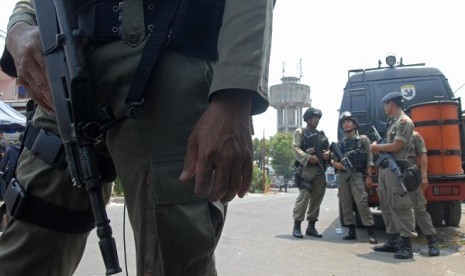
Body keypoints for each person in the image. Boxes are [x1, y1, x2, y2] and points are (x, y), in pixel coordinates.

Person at [0, 0, 273, 275]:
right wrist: (19, 28)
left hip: (167, 66)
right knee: (23, 251)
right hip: (62, 74)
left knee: (171, 259)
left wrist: (235, 96)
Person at [370, 91, 416, 259]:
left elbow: (397, 146)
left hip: (397, 168)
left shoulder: (404, 121)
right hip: (386, 168)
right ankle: (392, 240)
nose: (384, 107)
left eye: (385, 104)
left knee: (400, 204)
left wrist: (376, 147)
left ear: (392, 103)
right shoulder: (392, 122)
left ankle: (406, 244)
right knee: (386, 203)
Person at [332, 112, 377, 244]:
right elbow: (332, 160)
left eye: (349, 121)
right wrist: (336, 164)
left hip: (357, 174)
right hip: (342, 175)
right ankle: (351, 231)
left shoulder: (363, 140)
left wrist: (369, 176)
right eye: (344, 122)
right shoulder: (339, 144)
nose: (346, 124)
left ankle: (370, 231)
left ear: (354, 124)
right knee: (345, 203)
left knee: (362, 202)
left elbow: (369, 159)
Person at [292, 107, 330, 238]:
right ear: (308, 119)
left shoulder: (321, 134)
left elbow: (328, 149)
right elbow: (296, 149)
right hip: (307, 169)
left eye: (318, 118)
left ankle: (311, 227)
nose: (317, 120)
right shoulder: (300, 132)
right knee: (303, 198)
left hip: (320, 169)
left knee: (317, 199)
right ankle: (297, 226)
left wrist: (327, 154)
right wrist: (309, 158)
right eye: (315, 117)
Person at [407, 130, 440, 256]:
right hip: (396, 177)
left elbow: (423, 155)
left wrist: (424, 176)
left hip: (411, 177)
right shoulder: (392, 136)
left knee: (419, 209)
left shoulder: (415, 136)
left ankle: (432, 242)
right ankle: (403, 242)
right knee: (399, 209)